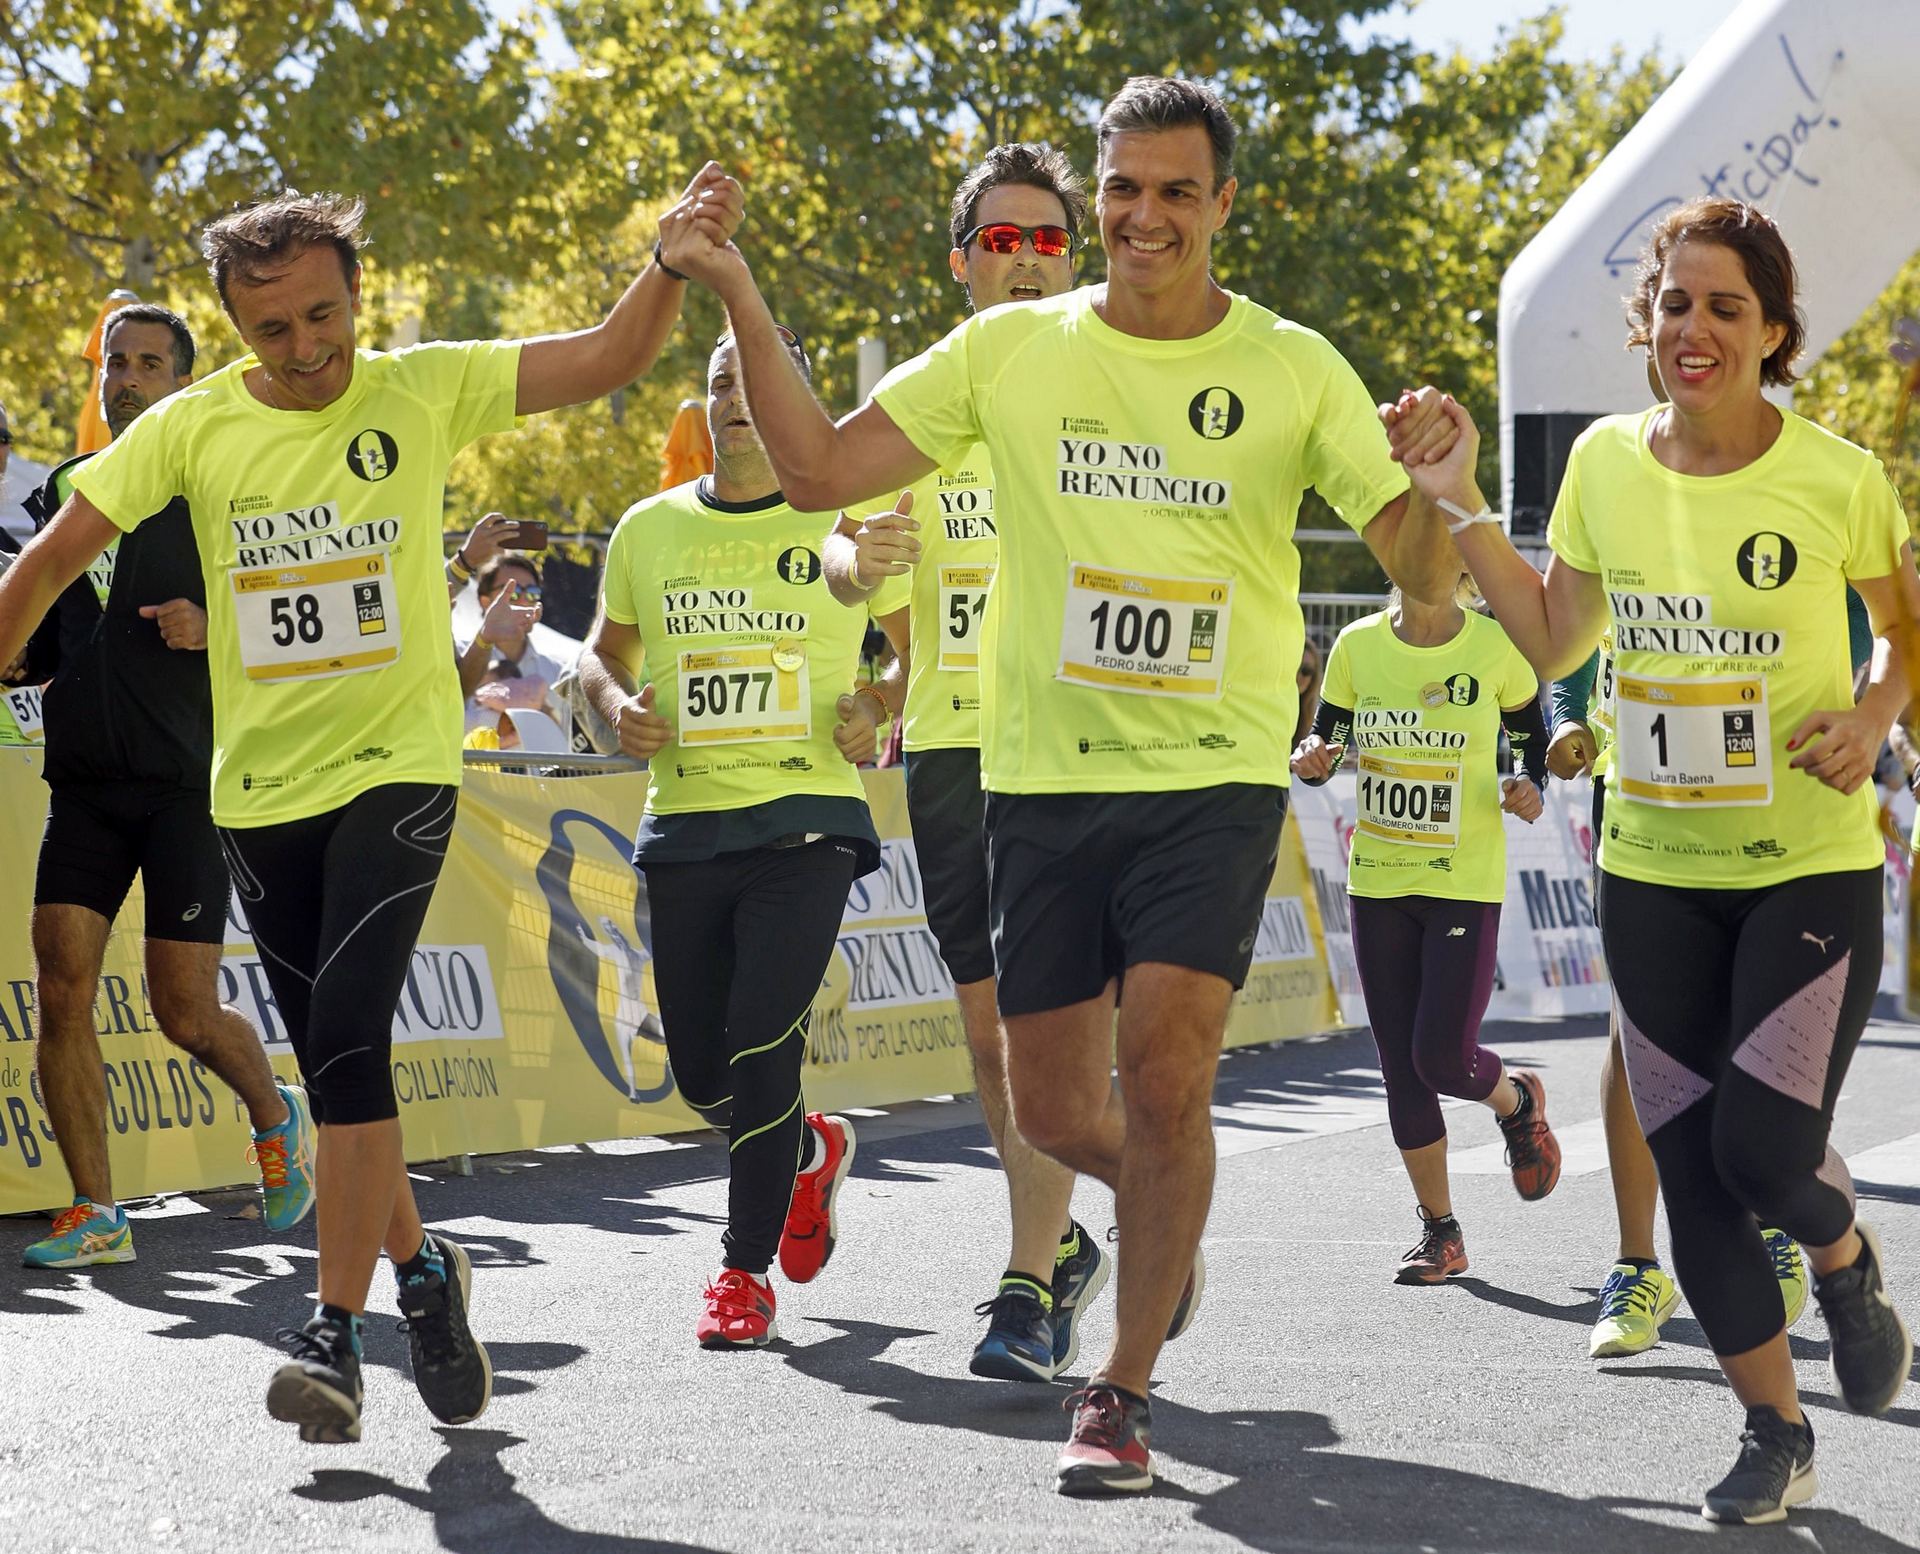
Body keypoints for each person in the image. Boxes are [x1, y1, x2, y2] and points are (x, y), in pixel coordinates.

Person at [663, 77, 1467, 1494]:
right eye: (1123, 189)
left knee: (1164, 1081)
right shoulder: (1007, 356)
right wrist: (732, 283)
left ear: (1223, 206)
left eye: (1175, 191)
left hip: (1212, 771)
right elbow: (813, 476)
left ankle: (1123, 1387)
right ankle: (1162, 1222)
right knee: (1048, 1105)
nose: (1142, 217)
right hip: (1032, 774)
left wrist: (1444, 486)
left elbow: (1418, 569)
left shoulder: (1292, 364)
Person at [0, 170, 742, 1443]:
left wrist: (669, 263)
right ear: (237, 327)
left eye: (323, 317)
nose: (304, 351)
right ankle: (424, 1274)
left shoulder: (423, 383)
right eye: (271, 330)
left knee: (347, 1035)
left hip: (398, 771)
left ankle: (334, 1338)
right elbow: (57, 551)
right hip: (258, 793)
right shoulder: (192, 428)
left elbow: (614, 355)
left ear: (359, 294)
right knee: (342, 1075)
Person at [1402, 196, 1914, 1524]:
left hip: (1805, 863)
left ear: (1774, 333)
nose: (1694, 328)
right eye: (1674, 303)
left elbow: (1905, 632)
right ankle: (1775, 1427)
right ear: (1649, 323)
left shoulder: (1837, 475)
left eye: (1725, 307)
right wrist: (1459, 505)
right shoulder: (1602, 468)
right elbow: (1554, 643)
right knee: (1688, 1171)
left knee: (1762, 1155)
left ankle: (1847, 1260)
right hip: (1652, 869)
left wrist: (1872, 715)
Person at [822, 142, 1110, 1384]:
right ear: (963, 262)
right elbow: (837, 555)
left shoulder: (1119, 385)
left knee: (1063, 1034)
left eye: (1050, 239)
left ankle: (1027, 1282)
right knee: (995, 1044)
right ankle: (1068, 1249)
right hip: (952, 751)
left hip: (1092, 753)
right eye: (1004, 240)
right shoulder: (932, 406)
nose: (1029, 260)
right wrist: (861, 564)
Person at [577, 325, 879, 1349]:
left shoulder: (842, 514)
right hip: (686, 826)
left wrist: (881, 702)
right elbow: (597, 656)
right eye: (719, 385)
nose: (737, 401)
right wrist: (616, 706)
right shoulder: (649, 530)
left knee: (762, 1042)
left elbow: (913, 652)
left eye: (759, 382)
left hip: (808, 823)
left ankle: (740, 1274)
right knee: (705, 1073)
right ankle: (804, 1154)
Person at [10, 303, 318, 1268]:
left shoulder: (225, 489)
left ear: (184, 383)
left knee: (180, 1012)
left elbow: (309, 624)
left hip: (189, 787)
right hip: (86, 787)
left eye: (149, 363)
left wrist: (217, 623)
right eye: (116, 361)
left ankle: (276, 1117)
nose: (128, 378)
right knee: (62, 990)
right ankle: (96, 1212)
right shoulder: (67, 489)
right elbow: (54, 630)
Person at [1292, 577, 1558, 1281]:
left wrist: (1531, 785)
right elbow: (1331, 738)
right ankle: (1442, 1231)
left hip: (1461, 883)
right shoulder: (1356, 646)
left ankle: (1517, 1098)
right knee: (1399, 1068)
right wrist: (1314, 758)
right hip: (1378, 880)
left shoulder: (1495, 646)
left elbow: (1532, 742)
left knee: (1440, 1057)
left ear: (1467, 572)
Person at [1550, 645, 1810, 1357]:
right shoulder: (1610, 528)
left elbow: (1856, 610)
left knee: (1743, 1014)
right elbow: (1570, 632)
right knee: (1633, 1021)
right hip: (1636, 789)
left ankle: (1766, 1223)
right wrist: (1567, 720)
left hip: (1757, 776)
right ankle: (1636, 1268)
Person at [456, 554, 568, 735]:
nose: (524, 601)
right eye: (512, 592)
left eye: (532, 593)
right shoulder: (456, 656)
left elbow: (566, 744)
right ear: (485, 602)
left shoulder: (558, 672)